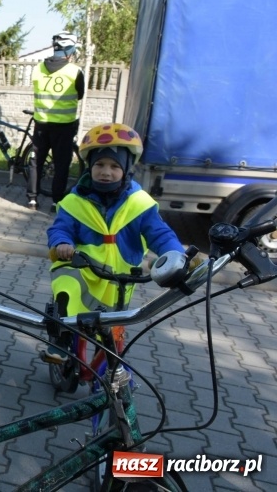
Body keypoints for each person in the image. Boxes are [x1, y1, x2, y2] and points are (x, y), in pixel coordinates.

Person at [43, 123, 185, 362]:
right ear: (89, 166)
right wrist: (62, 243)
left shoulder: (139, 203)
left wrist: (176, 255)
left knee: (111, 332)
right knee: (66, 287)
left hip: (119, 276)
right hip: (82, 268)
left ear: (127, 169)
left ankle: (111, 374)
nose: (105, 172)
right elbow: (60, 227)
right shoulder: (74, 201)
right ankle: (62, 338)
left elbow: (160, 234)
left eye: (114, 166)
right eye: (99, 164)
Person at [27, 31, 85, 212]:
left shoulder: (37, 69)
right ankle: (56, 201)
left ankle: (32, 200)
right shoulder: (75, 71)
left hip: (41, 124)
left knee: (36, 161)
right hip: (64, 126)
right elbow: (80, 95)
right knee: (61, 164)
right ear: (70, 51)